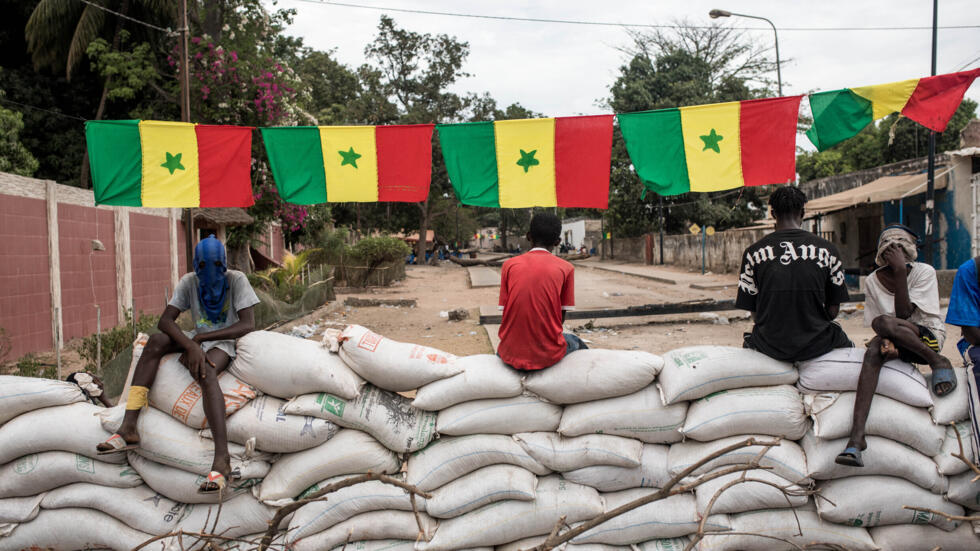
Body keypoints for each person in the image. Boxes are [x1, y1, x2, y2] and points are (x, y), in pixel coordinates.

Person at [94, 235, 259, 493]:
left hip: (224, 341)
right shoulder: (189, 281)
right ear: (196, 266)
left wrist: (201, 340)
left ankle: (222, 458)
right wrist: (190, 345)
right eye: (204, 271)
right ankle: (128, 428)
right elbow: (166, 321)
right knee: (156, 342)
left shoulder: (236, 280)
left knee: (206, 370)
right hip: (196, 339)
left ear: (223, 266)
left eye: (216, 269)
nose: (209, 279)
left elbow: (247, 324)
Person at [835, 225, 955, 467]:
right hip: (894, 339)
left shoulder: (924, 272)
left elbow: (905, 314)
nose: (894, 248)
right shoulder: (872, 281)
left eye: (900, 245)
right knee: (873, 350)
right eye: (889, 245)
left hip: (926, 340)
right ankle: (856, 439)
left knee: (884, 322)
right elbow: (882, 325)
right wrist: (890, 345)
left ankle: (938, 360)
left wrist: (901, 272)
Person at [736, 186, 852, 362]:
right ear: (803, 213)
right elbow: (833, 311)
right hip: (818, 343)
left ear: (773, 214)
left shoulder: (753, 252)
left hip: (768, 344)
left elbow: (756, 314)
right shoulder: (828, 250)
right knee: (847, 347)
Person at [497, 213, 586, 371]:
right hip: (548, 355)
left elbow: (505, 314)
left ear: (528, 236)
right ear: (558, 242)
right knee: (575, 341)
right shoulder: (566, 268)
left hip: (509, 353)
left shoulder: (509, 265)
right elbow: (560, 319)